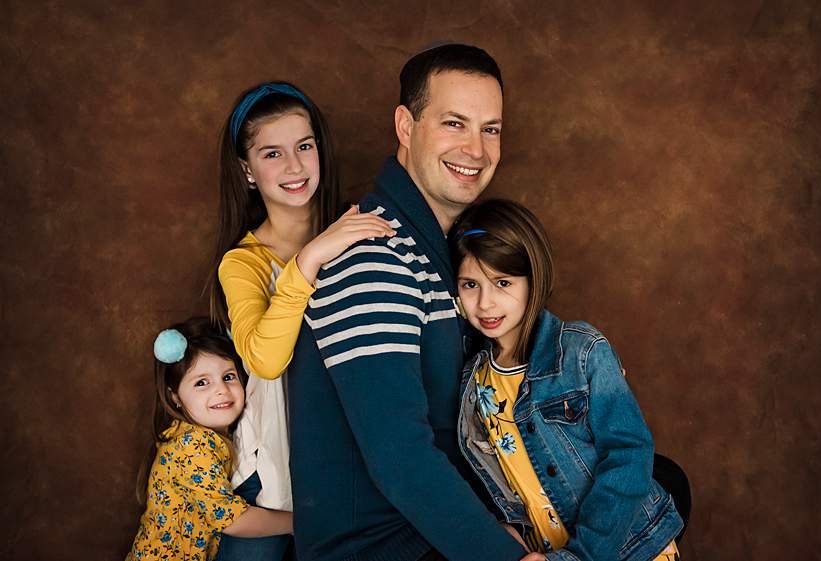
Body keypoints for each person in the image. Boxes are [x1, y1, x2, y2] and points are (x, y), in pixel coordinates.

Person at [288, 44, 543, 561]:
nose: (476, 149)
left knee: (653, 489)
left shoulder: (444, 254)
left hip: (433, 534)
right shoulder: (372, 258)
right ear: (406, 127)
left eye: (490, 128)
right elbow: (400, 459)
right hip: (382, 550)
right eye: (454, 123)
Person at [209, 82, 395, 559]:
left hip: (350, 475)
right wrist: (309, 259)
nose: (294, 166)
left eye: (304, 146)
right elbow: (266, 361)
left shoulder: (356, 231)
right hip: (269, 479)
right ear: (247, 170)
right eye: (273, 153)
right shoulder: (243, 263)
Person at [451, 199, 684, 561]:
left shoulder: (580, 351)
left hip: (632, 548)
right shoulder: (475, 381)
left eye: (502, 282)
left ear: (533, 279)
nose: (485, 303)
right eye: (470, 284)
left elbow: (629, 455)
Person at [127, 317, 293, 561]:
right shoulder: (193, 445)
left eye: (228, 377)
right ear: (175, 398)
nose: (221, 390)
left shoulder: (201, 436)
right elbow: (231, 520)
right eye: (201, 383)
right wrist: (296, 523)